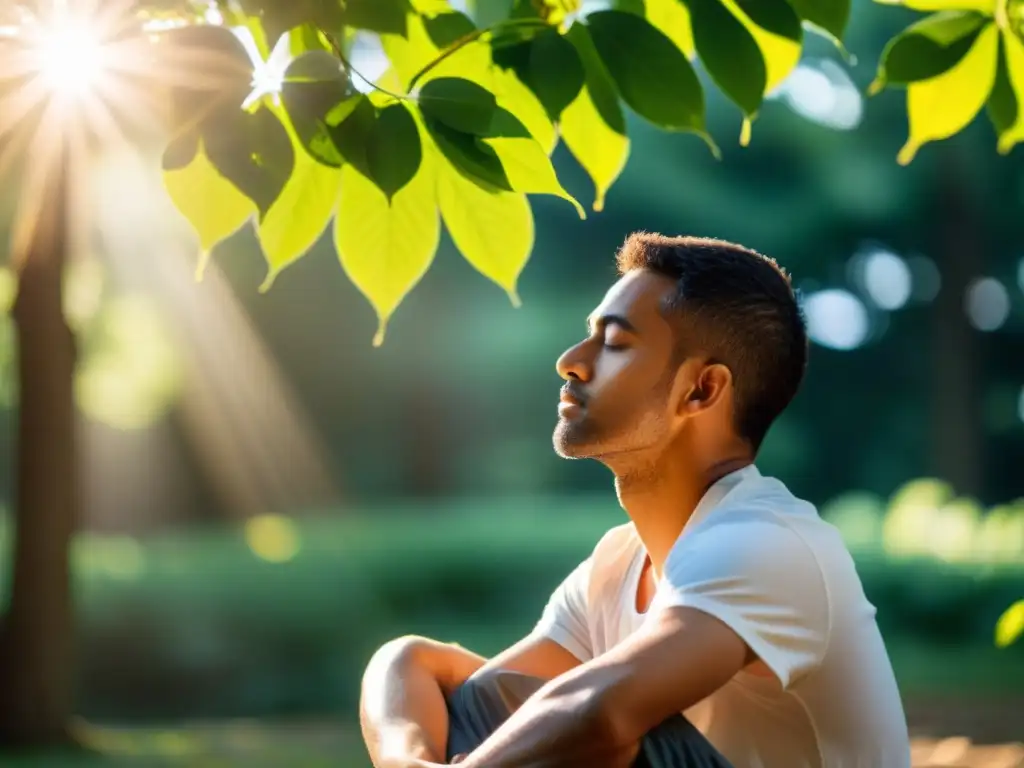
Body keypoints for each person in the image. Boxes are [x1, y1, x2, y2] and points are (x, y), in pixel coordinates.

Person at [359, 234, 912, 768]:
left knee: (591, 723)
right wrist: (407, 760)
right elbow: (419, 666)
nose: (572, 361)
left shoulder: (770, 544)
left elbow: (603, 718)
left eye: (616, 343)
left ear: (702, 390)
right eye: (588, 335)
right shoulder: (617, 565)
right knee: (488, 704)